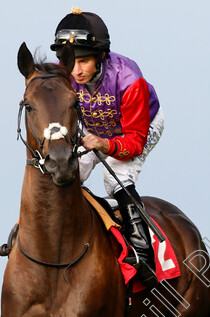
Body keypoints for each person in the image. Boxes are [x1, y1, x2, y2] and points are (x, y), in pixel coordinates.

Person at [51, 8, 164, 282]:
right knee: (66, 173)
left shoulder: (129, 79)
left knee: (116, 178)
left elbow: (134, 143)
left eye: (84, 62)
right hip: (92, 128)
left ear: (101, 56)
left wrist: (104, 144)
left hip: (138, 128)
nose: (76, 71)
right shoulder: (62, 74)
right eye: (70, 62)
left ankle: (142, 252)